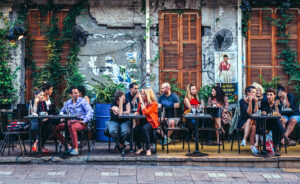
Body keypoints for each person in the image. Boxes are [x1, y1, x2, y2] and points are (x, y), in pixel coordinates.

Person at [53, 87, 94, 156]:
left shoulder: (82, 101)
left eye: (77, 93)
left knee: (72, 127)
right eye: (74, 93)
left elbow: (90, 111)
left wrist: (85, 120)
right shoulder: (68, 103)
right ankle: (68, 146)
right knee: (56, 129)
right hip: (71, 121)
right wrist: (62, 117)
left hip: (81, 122)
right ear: (70, 95)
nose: (77, 94)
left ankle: (75, 149)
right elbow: (62, 111)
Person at [261, 88, 294, 156]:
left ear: (274, 96)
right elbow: (263, 113)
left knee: (276, 124)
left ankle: (275, 149)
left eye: (270, 95)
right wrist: (264, 112)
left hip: (273, 124)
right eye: (267, 95)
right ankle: (286, 138)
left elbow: (278, 115)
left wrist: (276, 108)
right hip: (265, 123)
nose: (268, 96)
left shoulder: (278, 104)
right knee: (276, 121)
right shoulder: (264, 102)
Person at [134, 88, 159, 156]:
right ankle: (140, 147)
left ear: (147, 95)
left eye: (143, 94)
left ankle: (148, 149)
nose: (141, 95)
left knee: (144, 129)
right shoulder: (140, 102)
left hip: (151, 122)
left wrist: (141, 100)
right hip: (142, 121)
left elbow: (145, 112)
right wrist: (136, 113)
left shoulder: (153, 103)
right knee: (135, 130)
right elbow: (139, 111)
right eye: (141, 94)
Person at [107, 90, 131, 156]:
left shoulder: (127, 101)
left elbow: (128, 111)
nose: (124, 98)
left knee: (126, 131)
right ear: (118, 99)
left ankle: (120, 145)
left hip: (124, 120)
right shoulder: (113, 103)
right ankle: (121, 145)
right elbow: (120, 115)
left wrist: (122, 112)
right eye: (122, 97)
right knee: (112, 131)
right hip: (114, 121)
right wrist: (120, 103)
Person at [238, 86, 259, 155]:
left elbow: (256, 112)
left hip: (252, 121)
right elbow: (249, 113)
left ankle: (244, 139)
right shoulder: (241, 101)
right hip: (242, 122)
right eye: (253, 92)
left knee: (252, 124)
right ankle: (253, 147)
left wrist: (256, 102)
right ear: (248, 93)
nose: (255, 94)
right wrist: (250, 102)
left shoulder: (254, 101)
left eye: (255, 93)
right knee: (251, 123)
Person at [31, 89, 51, 154]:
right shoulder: (31, 102)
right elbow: (33, 112)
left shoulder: (43, 103)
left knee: (49, 124)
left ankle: (36, 142)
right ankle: (41, 146)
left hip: (43, 121)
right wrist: (35, 103)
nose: (42, 97)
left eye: (42, 95)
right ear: (35, 95)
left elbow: (46, 113)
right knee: (41, 125)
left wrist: (45, 118)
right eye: (40, 95)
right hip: (34, 121)